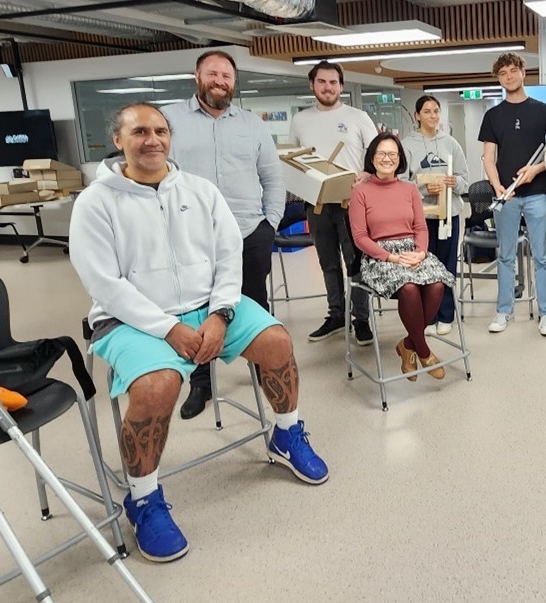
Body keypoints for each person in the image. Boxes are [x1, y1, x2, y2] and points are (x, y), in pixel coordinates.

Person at [69, 102, 328, 563]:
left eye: (160, 131)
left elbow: (229, 255)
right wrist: (168, 328)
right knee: (157, 386)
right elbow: (102, 282)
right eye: (140, 131)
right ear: (118, 140)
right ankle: (143, 498)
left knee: (276, 341)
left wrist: (221, 313)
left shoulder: (199, 190)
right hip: (131, 318)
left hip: (209, 306)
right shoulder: (96, 201)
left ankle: (286, 434)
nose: (153, 139)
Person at [160, 50, 285, 420]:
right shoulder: (169, 120)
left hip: (249, 231)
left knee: (254, 300)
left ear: (234, 81)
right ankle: (202, 382)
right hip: (191, 236)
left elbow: (273, 177)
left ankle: (264, 364)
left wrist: (271, 224)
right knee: (197, 308)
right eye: (212, 74)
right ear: (197, 77)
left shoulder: (253, 124)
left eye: (227, 76)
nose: (220, 81)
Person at [349, 133, 455, 379]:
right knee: (408, 288)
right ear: (372, 158)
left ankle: (408, 345)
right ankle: (424, 350)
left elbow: (420, 227)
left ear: (400, 159)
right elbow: (360, 238)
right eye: (382, 154)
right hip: (380, 255)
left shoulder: (409, 190)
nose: (387, 159)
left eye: (393, 154)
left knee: (437, 284)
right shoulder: (360, 192)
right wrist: (392, 258)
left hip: (413, 250)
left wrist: (420, 253)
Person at [289, 60, 377, 345]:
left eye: (333, 82)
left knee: (357, 263)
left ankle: (361, 319)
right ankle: (336, 315)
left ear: (341, 85)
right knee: (328, 263)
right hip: (317, 205)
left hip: (352, 202)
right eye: (322, 82)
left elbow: (378, 154)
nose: (328, 87)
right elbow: (294, 162)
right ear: (312, 85)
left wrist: (367, 173)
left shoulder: (358, 116)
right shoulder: (301, 120)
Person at [479, 52, 546, 336]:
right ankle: (504, 311)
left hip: (537, 192)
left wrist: (536, 169)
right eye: (503, 73)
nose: (509, 77)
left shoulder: (545, 111)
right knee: (505, 256)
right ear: (498, 78)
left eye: (513, 70)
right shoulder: (493, 115)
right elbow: (488, 158)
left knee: (543, 256)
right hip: (506, 196)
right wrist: (498, 186)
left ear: (523, 72)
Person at [401, 96, 468, 336]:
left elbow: (464, 179)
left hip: (449, 215)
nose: (432, 116)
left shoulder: (451, 143)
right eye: (427, 111)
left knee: (447, 265)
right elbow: (400, 182)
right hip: (420, 218)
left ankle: (446, 315)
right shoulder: (407, 145)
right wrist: (423, 188)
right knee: (424, 266)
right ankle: (427, 316)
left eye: (436, 111)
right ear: (417, 115)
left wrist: (455, 182)